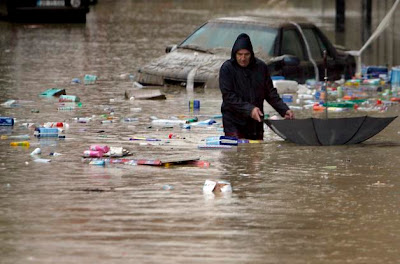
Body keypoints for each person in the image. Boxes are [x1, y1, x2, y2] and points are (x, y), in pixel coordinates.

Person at [219, 33, 294, 140]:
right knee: (237, 152)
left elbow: (270, 93)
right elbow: (228, 96)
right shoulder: (227, 69)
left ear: (252, 54)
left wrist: (284, 110)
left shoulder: (261, 68)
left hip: (255, 121)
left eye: (246, 54)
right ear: (234, 54)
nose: (243, 58)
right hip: (233, 121)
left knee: (256, 153)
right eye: (240, 54)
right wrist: (249, 109)